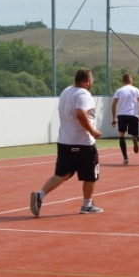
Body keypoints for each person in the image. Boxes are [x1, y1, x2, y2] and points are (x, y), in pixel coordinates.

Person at [31, 68, 103, 216]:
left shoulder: (66, 91)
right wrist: (93, 131)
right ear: (88, 81)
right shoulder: (84, 94)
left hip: (65, 141)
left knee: (62, 174)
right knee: (91, 176)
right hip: (83, 143)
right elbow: (80, 114)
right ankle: (86, 205)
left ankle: (40, 195)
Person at [111, 73, 139, 165]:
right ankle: (135, 139)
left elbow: (114, 105)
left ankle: (125, 158)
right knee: (135, 134)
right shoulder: (136, 90)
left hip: (122, 115)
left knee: (122, 136)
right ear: (131, 80)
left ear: (123, 81)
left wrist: (114, 118)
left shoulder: (119, 91)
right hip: (133, 115)